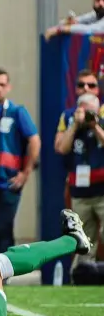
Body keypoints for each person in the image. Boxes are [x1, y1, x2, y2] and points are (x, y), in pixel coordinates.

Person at [0, 68, 41, 257]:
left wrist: (25, 173)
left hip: (8, 181)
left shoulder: (16, 112)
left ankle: (4, 273)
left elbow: (34, 140)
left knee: (4, 227)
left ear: (8, 87)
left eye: (2, 85)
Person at [55, 93, 104, 269]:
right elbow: (62, 148)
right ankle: (82, 276)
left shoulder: (100, 123)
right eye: (83, 110)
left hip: (102, 191)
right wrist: (75, 124)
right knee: (83, 238)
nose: (86, 115)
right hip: (80, 192)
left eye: (90, 111)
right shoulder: (71, 123)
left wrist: (95, 126)